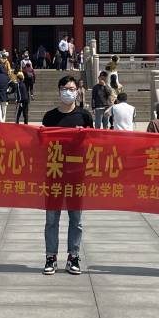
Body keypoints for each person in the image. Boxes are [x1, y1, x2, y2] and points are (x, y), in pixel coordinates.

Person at [40, 75, 93, 275]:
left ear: (78, 91)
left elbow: (95, 143)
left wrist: (84, 135)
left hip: (76, 174)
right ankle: (50, 256)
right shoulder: (50, 117)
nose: (68, 92)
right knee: (51, 219)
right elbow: (42, 144)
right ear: (59, 91)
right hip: (54, 173)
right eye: (64, 88)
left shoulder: (84, 116)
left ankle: (73, 256)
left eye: (71, 89)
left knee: (76, 220)